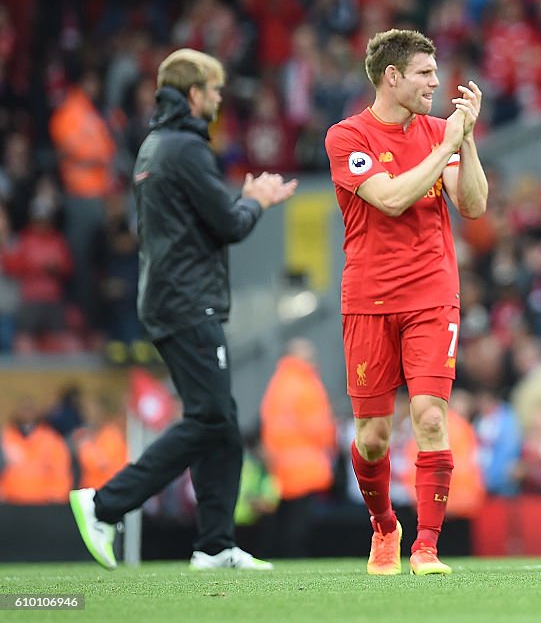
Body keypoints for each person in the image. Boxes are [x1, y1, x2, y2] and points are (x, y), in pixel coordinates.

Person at [69, 48, 296, 571]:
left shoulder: (154, 146)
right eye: (214, 91)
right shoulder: (187, 149)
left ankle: (214, 545)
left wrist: (239, 203)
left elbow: (204, 220)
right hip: (189, 302)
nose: (219, 100)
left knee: (223, 421)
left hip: (170, 299)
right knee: (210, 418)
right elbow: (230, 225)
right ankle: (104, 504)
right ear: (194, 94)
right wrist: (256, 200)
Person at [324, 29, 487, 576]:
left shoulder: (442, 131)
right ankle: (385, 527)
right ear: (392, 77)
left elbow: (474, 207)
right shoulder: (347, 137)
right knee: (371, 437)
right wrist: (445, 147)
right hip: (368, 297)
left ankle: (427, 548)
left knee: (430, 417)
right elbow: (390, 199)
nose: (437, 83)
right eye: (425, 74)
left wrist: (464, 141)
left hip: (432, 293)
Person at [260, 338, 336, 558]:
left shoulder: (280, 382)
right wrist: (328, 441)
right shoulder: (304, 383)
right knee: (297, 525)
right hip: (305, 464)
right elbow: (316, 424)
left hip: (283, 464)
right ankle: (291, 556)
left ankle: (276, 555)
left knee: (283, 519)